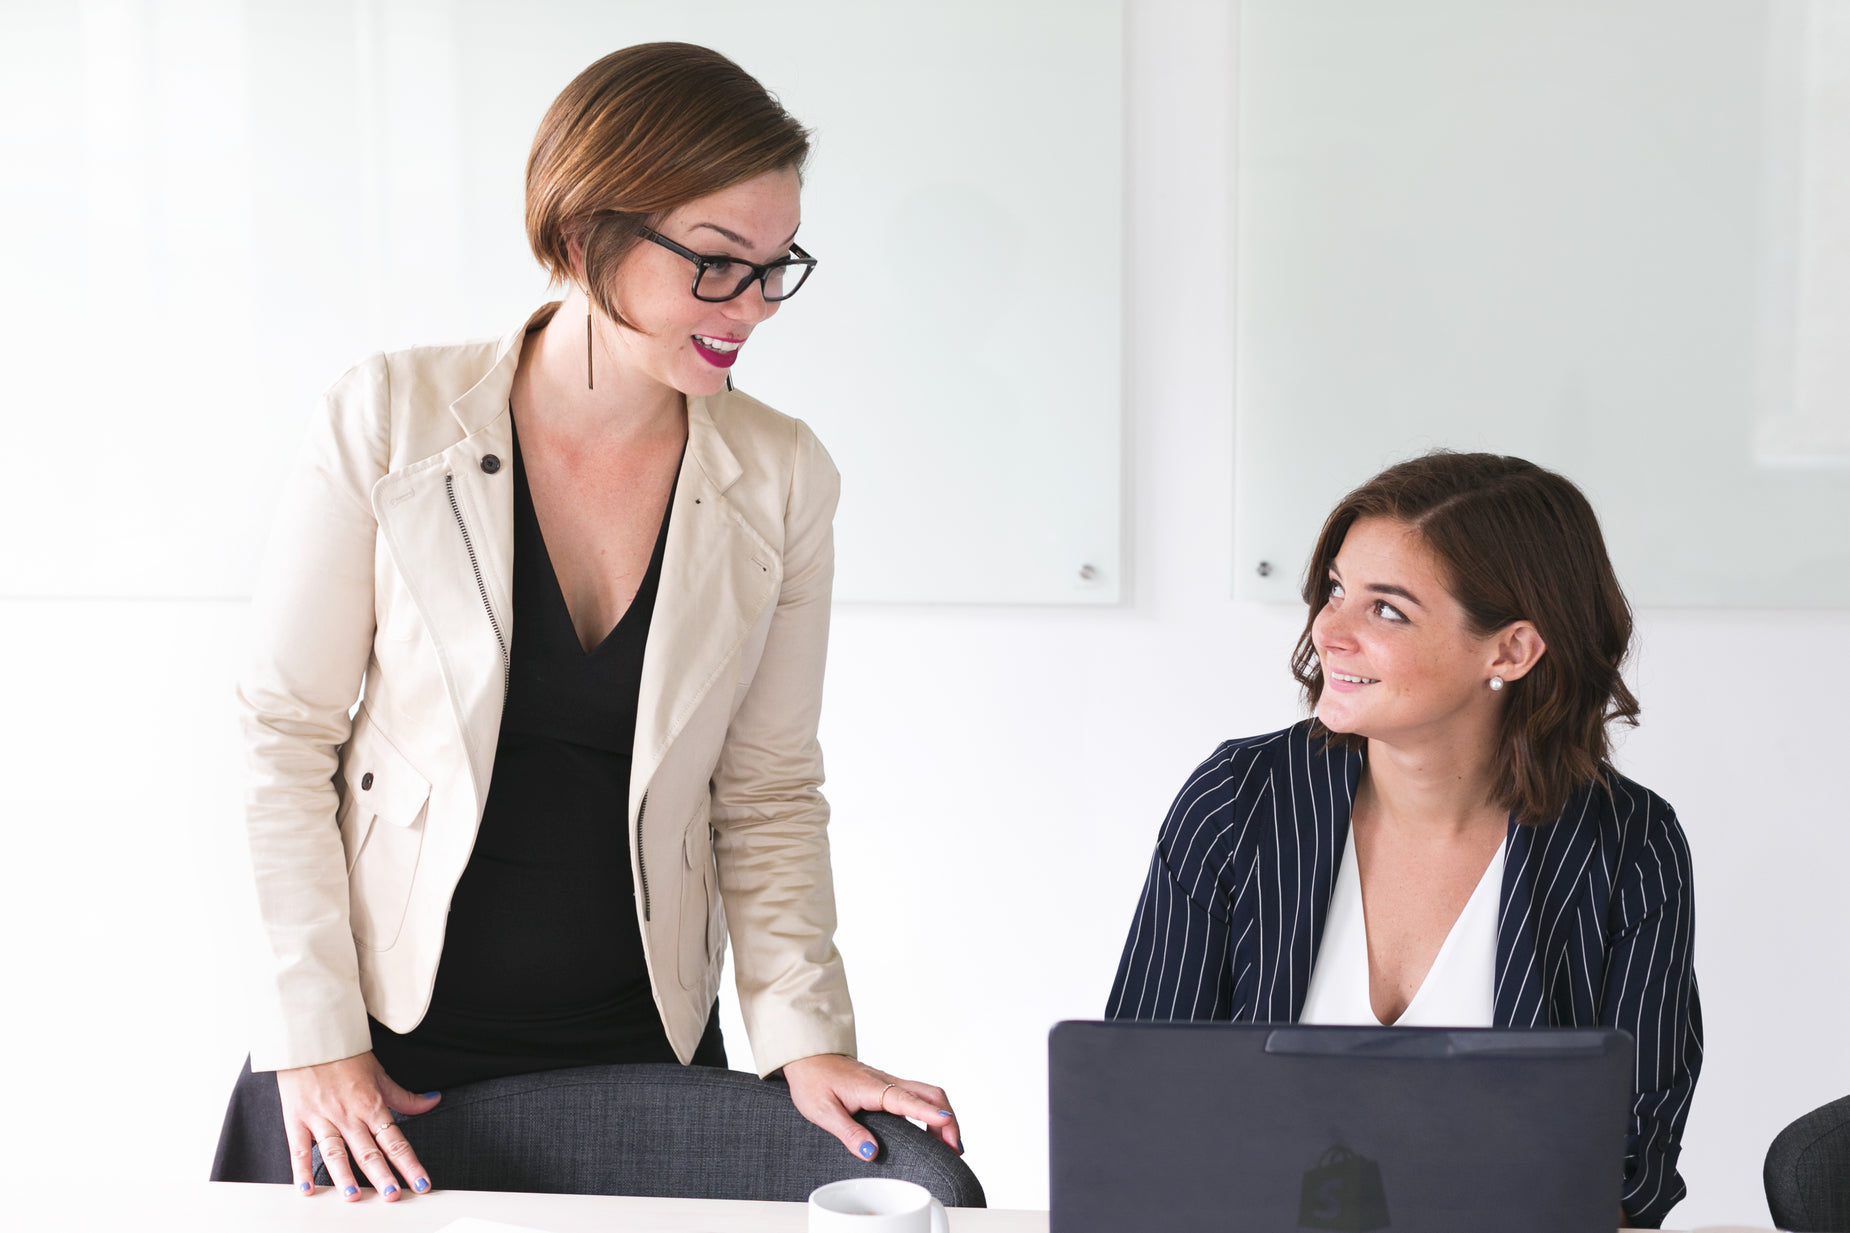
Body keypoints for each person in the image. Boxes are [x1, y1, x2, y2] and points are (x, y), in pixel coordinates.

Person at [214, 42, 959, 1202]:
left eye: (776, 266)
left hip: (643, 1041)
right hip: (385, 1052)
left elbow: (764, 787)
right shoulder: (389, 420)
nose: (753, 308)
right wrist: (313, 1039)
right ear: (578, 238)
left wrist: (803, 1034)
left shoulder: (783, 477)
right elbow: (283, 737)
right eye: (716, 265)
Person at [1107, 452, 1700, 1229]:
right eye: (1335, 590)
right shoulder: (1238, 802)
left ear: (1511, 650)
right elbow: (1136, 1107)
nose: (1330, 629)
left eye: (1386, 609)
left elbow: (1629, 1170)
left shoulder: (1630, 847)